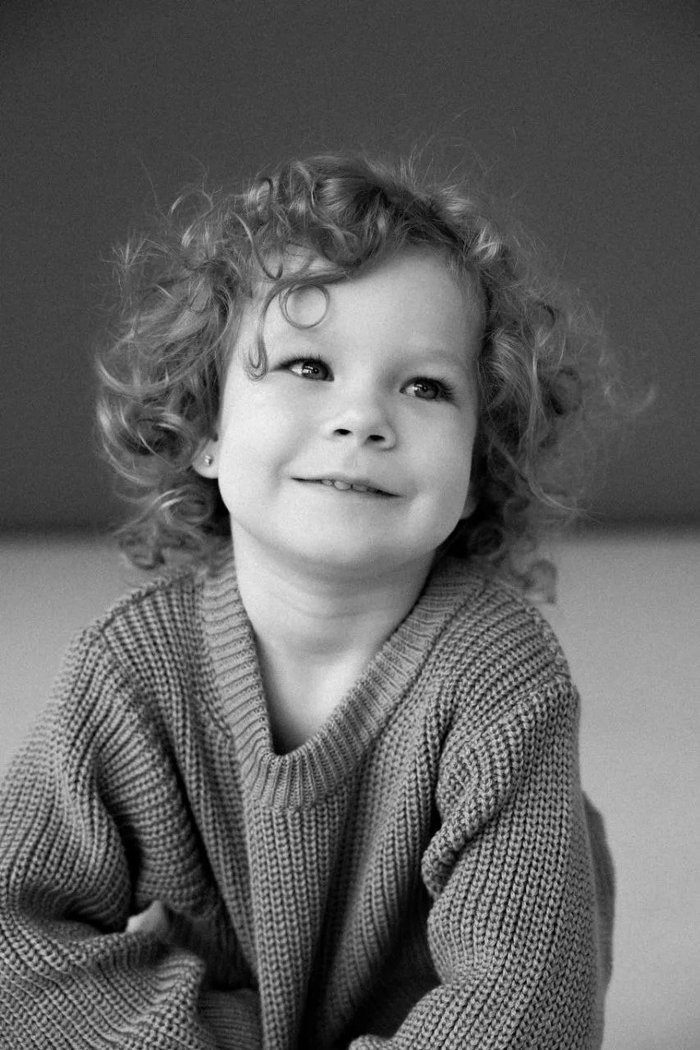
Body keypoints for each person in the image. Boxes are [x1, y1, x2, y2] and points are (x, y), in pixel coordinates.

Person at [0, 153, 615, 1049]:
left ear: (477, 470)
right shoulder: (134, 669)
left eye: (425, 386)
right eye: (307, 365)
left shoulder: (500, 680)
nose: (363, 417)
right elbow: (14, 930)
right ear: (205, 428)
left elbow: (528, 1007)